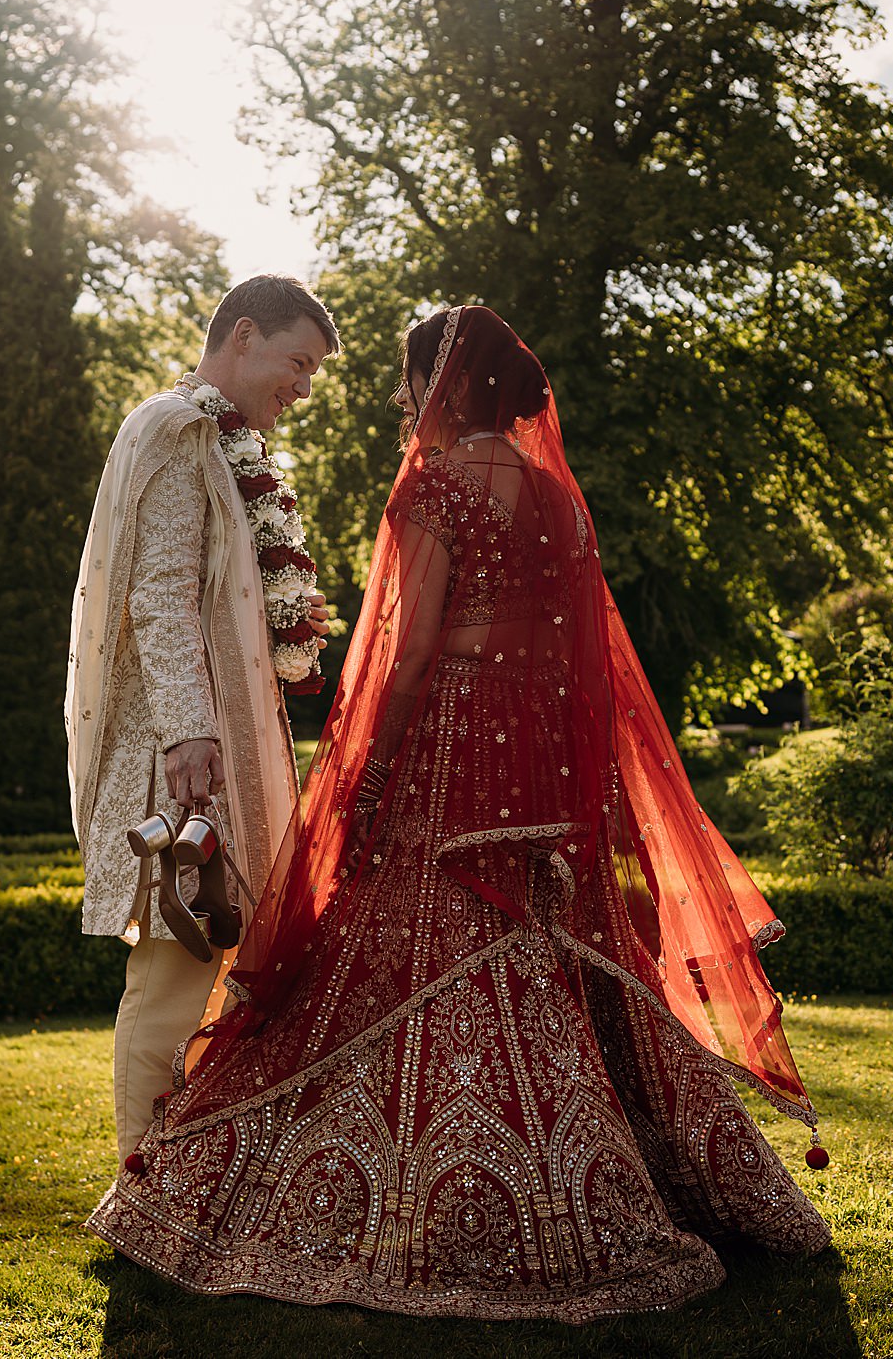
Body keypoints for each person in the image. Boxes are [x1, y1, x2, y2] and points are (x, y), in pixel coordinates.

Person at [88, 305, 829, 1322]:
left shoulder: (434, 487)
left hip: (449, 743)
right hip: (539, 758)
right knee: (542, 946)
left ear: (442, 388)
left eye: (407, 382)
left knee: (403, 945)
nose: (401, 403)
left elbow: (408, 649)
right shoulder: (563, 501)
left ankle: (363, 1189)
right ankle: (616, 1175)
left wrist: (369, 767)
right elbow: (581, 658)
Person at [66, 274, 338, 1165]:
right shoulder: (182, 433)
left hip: (211, 748)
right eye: (296, 365)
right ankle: (141, 1177)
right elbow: (159, 594)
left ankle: (193, 1169)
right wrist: (190, 733)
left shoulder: (220, 444)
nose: (300, 390)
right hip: (179, 759)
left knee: (209, 958)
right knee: (175, 965)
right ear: (245, 335)